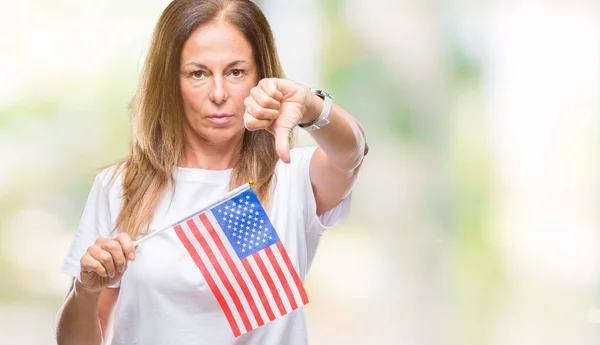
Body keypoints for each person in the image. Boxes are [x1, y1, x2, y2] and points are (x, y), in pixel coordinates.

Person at [55, 0, 367, 344]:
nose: (218, 94)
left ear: (260, 76)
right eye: (198, 73)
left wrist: (311, 104)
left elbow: (352, 152)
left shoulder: (292, 177)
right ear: (170, 82)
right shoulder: (119, 186)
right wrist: (85, 290)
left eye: (236, 72)